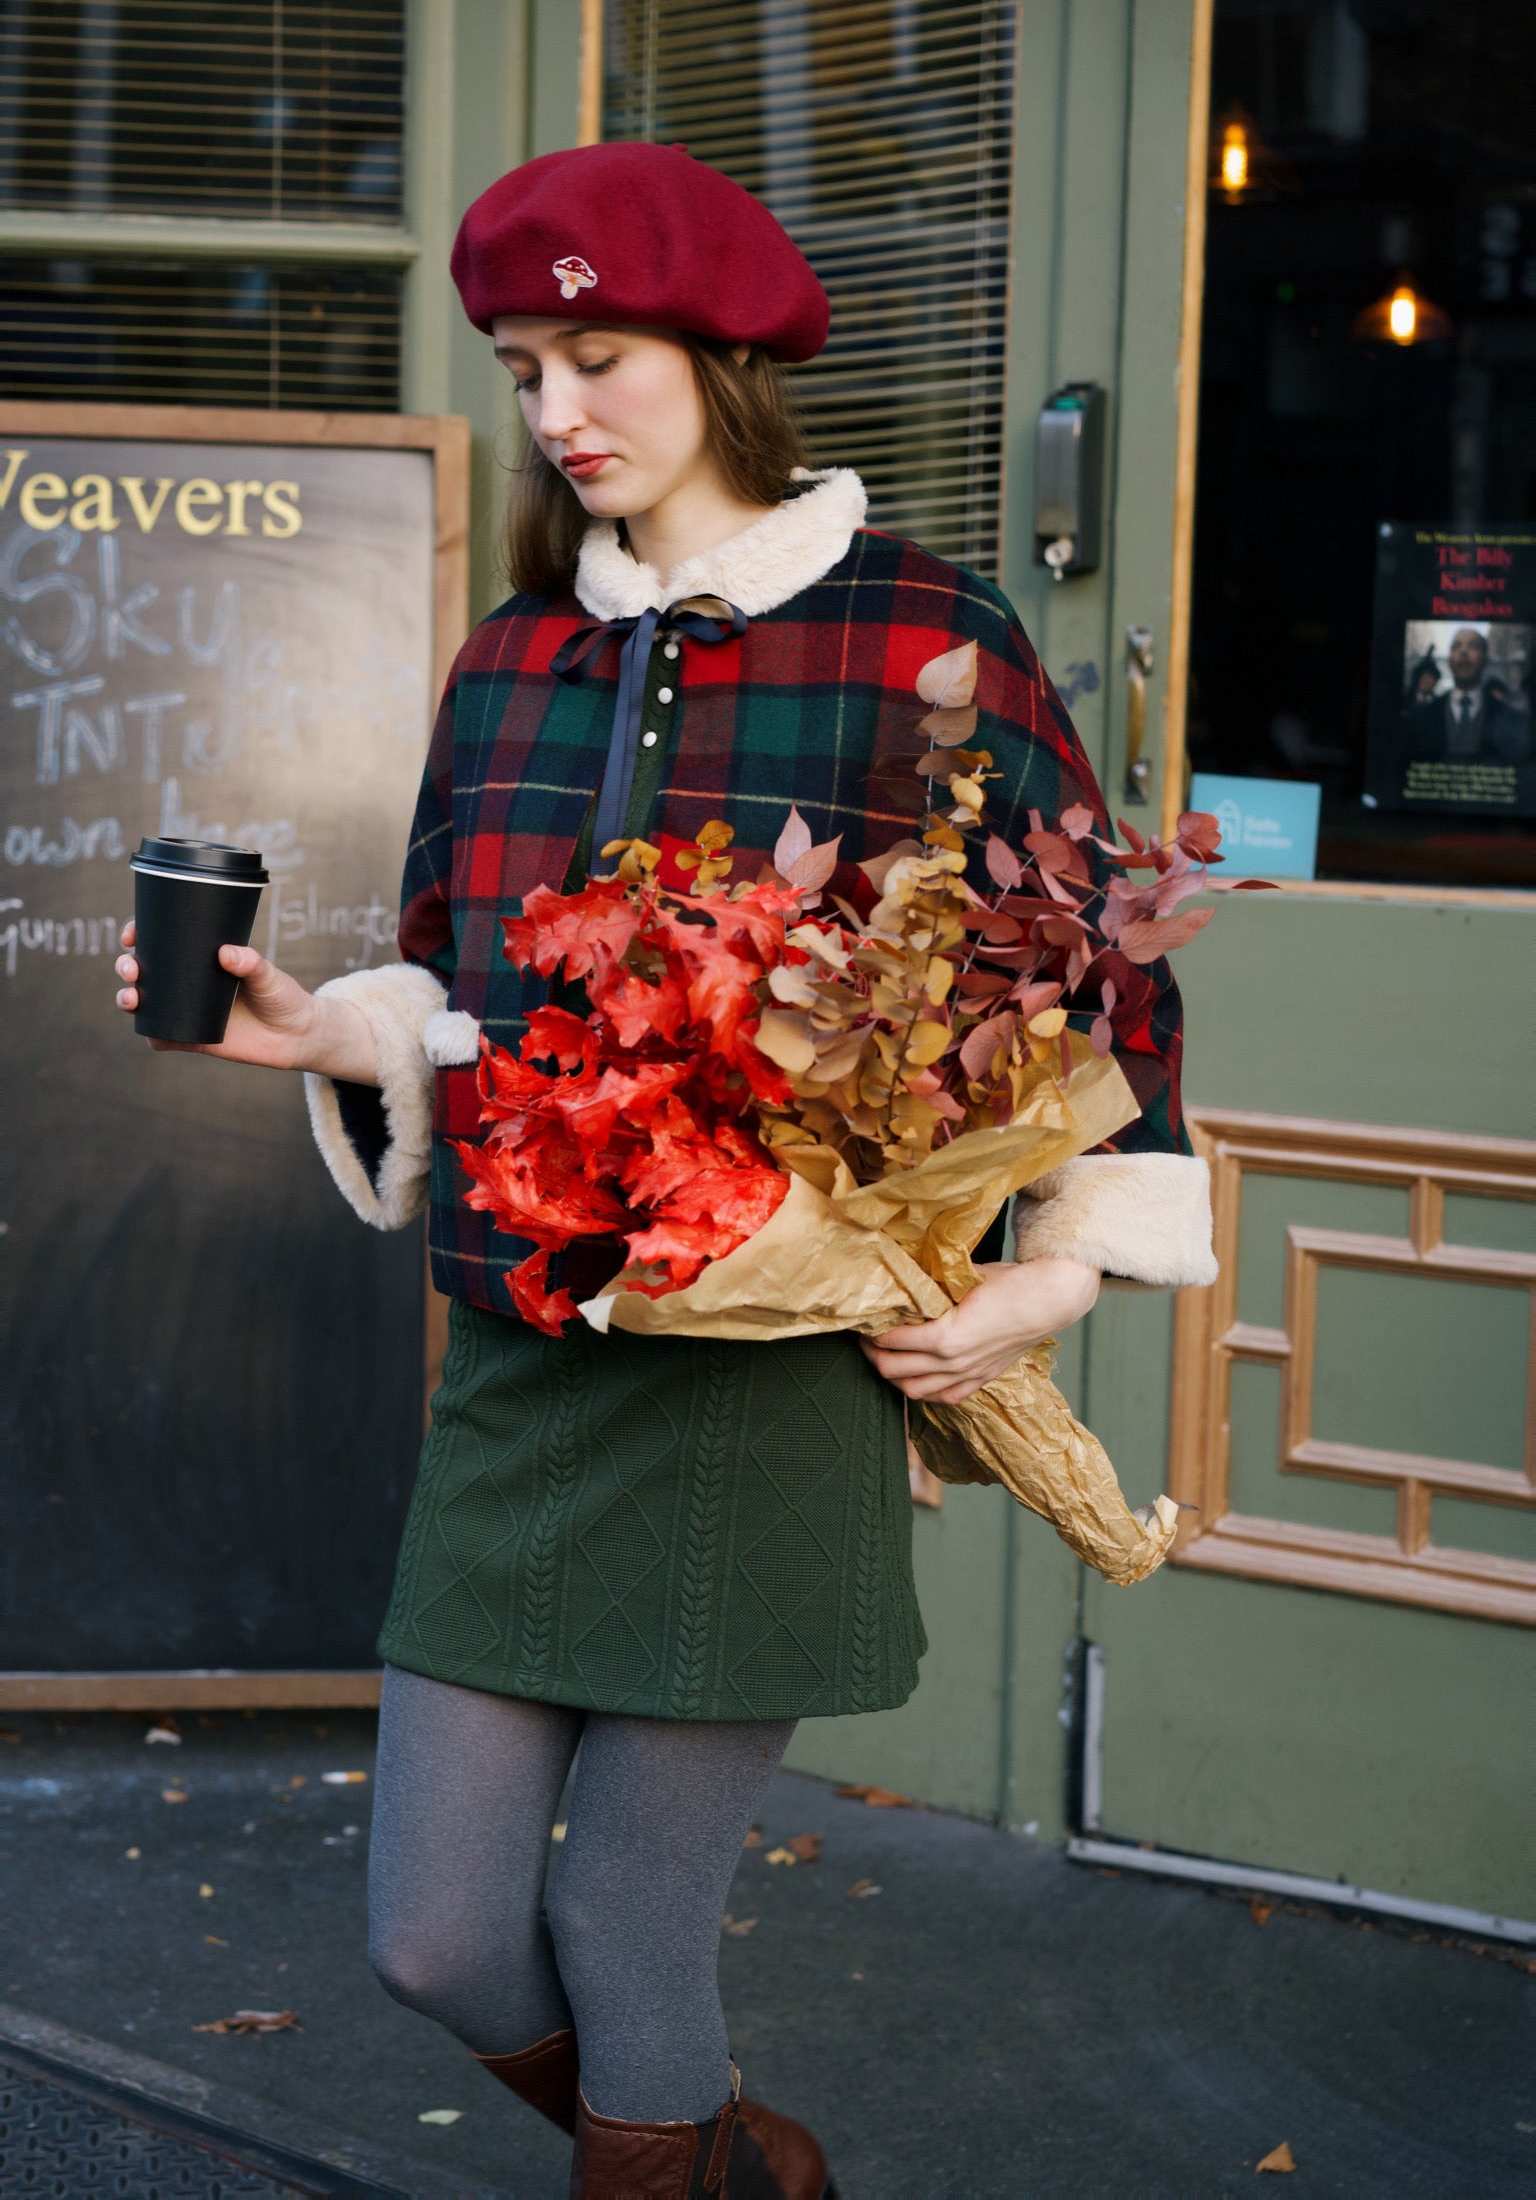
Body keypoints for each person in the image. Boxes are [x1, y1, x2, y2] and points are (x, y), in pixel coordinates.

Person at [115, 142, 1217, 2198]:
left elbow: (1083, 984)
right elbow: (463, 983)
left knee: (628, 1924)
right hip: (535, 1361)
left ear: (722, 360)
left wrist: (1050, 1276)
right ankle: (739, 2166)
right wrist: (319, 1024)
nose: (555, 409)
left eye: (597, 354)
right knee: (435, 1933)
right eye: (528, 363)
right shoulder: (514, 658)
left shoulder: (930, 636)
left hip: (773, 1375)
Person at [1403, 625, 1531, 763]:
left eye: (1473, 646)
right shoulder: (1420, 717)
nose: (1463, 651)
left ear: (1485, 661)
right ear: (1449, 660)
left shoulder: (1513, 720)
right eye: (1456, 646)